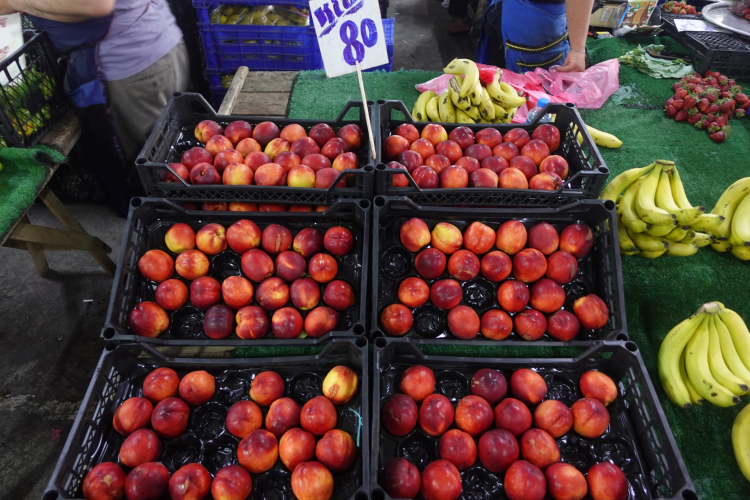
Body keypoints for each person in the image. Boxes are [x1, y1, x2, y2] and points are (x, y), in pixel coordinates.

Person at [0, 0, 190, 215]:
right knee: (172, 162)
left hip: (125, 67)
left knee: (152, 180)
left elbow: (96, 4)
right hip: (150, 42)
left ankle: (165, 224)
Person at [477, 0, 594, 73]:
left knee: (499, 86)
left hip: (508, 14)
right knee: (532, 95)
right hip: (532, 26)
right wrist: (577, 49)